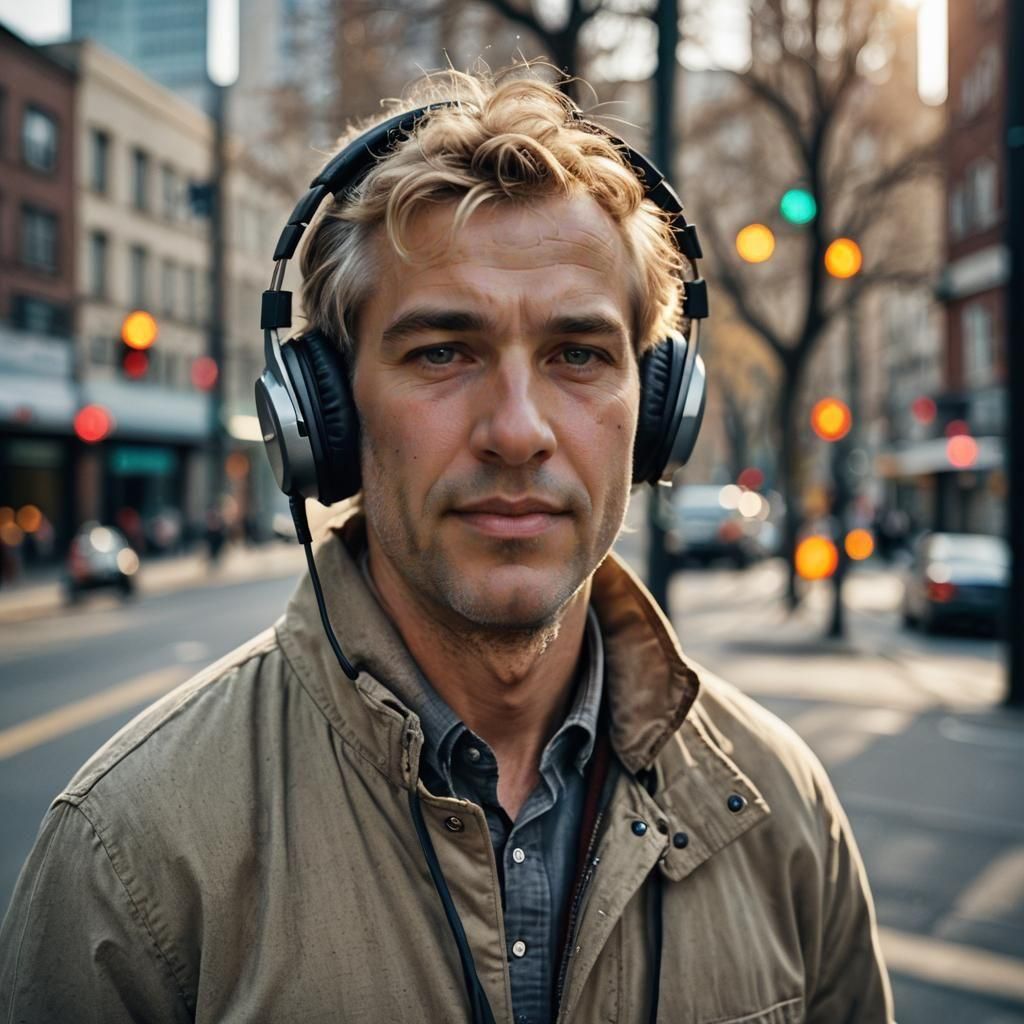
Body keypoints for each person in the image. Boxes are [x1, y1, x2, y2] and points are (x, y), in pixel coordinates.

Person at [0, 66, 892, 1023]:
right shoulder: (129, 855)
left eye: (579, 355)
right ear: (324, 415)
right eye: (442, 352)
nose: (517, 430)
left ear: (661, 411)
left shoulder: (785, 808)